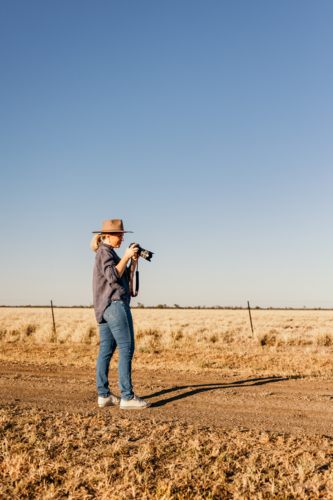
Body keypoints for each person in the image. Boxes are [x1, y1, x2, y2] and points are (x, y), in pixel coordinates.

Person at [90, 219, 151, 410]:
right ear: (107, 236)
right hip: (115, 306)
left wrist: (133, 261)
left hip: (104, 308)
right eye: (119, 235)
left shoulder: (108, 253)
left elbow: (124, 278)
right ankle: (127, 397)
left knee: (106, 351)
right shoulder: (104, 252)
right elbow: (112, 276)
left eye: (122, 235)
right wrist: (125, 256)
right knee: (126, 348)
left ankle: (104, 395)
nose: (122, 238)